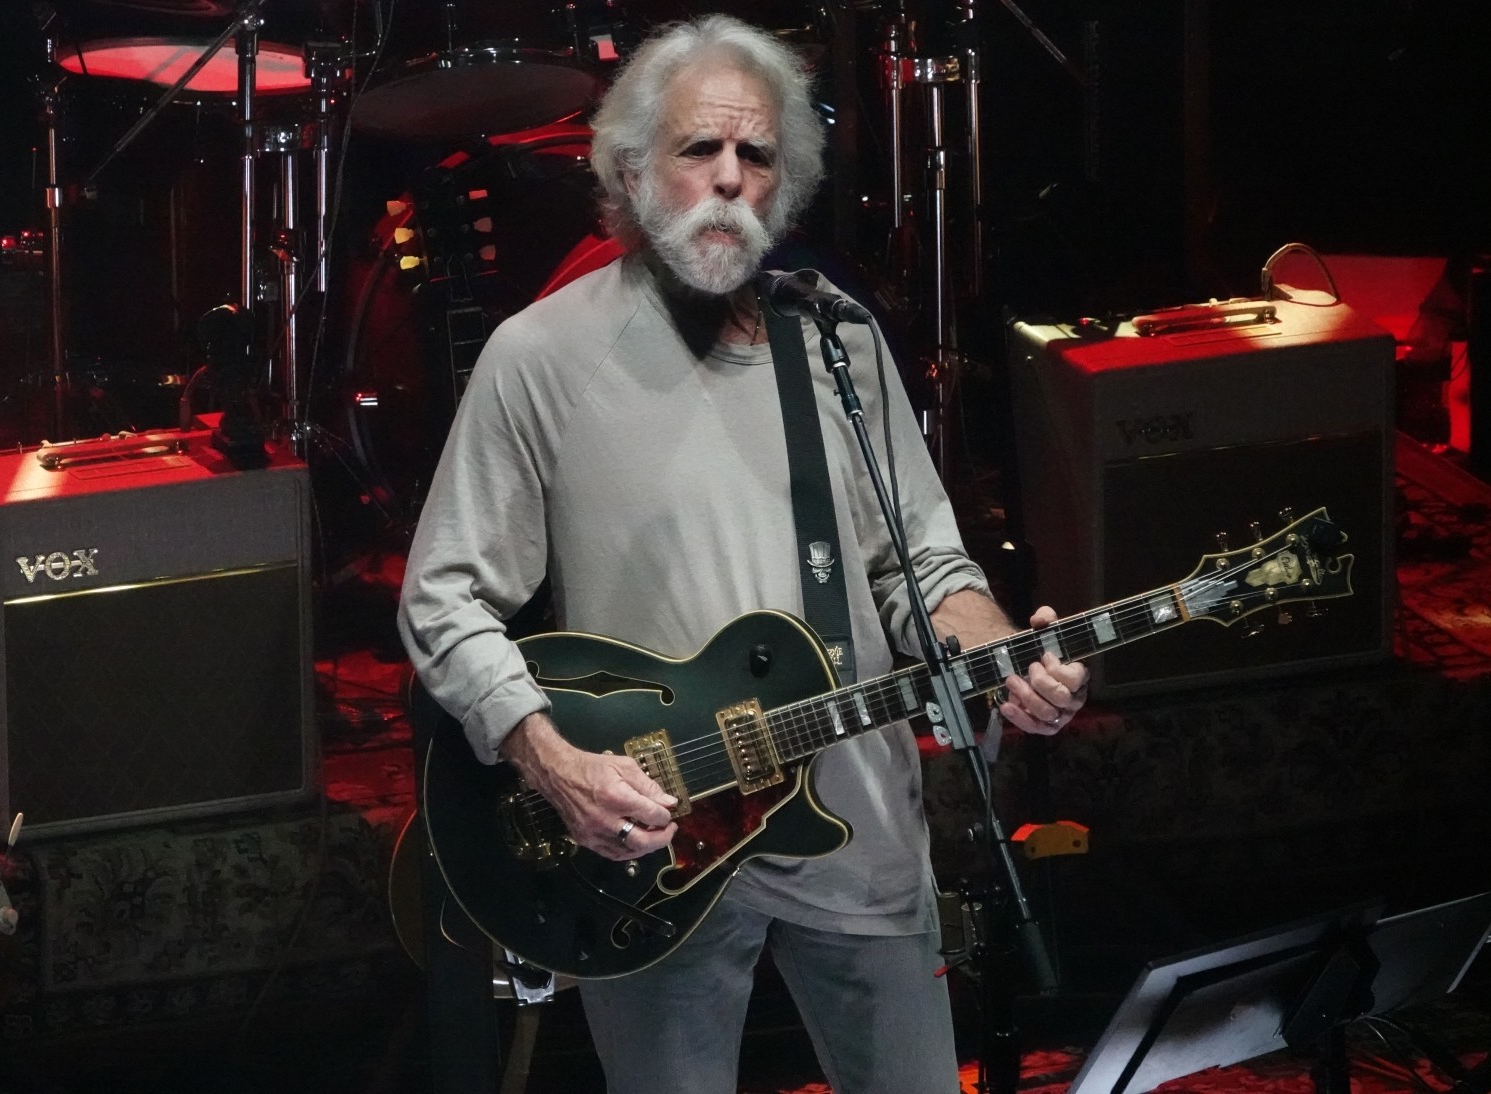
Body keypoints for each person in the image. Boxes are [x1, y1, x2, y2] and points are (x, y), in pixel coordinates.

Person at [397, 15, 1089, 1093]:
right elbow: (443, 598)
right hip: (648, 846)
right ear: (631, 170)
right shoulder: (538, 357)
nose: (729, 178)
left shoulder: (836, 339)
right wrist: (554, 761)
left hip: (855, 820)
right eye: (699, 149)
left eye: (756, 154)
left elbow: (922, 566)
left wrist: (1000, 655)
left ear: (786, 183)